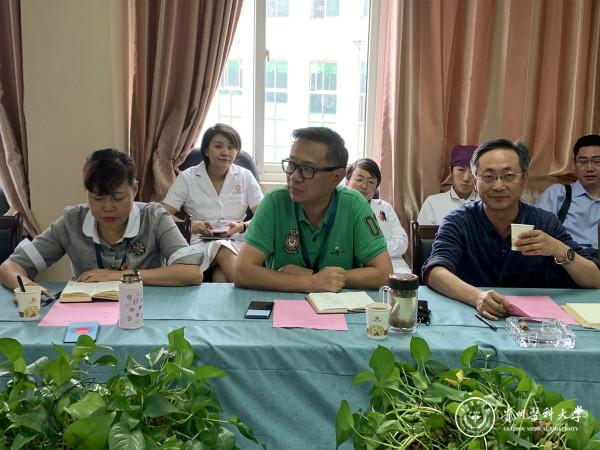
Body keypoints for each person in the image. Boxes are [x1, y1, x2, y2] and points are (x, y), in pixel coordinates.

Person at [423, 139, 600, 320]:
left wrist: (559, 249)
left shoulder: (544, 222)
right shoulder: (458, 221)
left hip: (534, 323)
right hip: (474, 318)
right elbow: (435, 272)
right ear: (476, 182)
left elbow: (594, 279)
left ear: (524, 179)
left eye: (508, 176)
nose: (499, 186)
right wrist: (476, 297)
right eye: (488, 176)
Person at [0, 148, 203, 296]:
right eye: (97, 197)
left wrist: (120, 276)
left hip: (142, 311)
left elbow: (191, 273)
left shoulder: (154, 217)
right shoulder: (72, 222)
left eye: (117, 197)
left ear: (134, 190)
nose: (107, 207)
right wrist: (26, 288)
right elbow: (11, 266)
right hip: (86, 319)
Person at [234, 127, 393, 293]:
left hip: (338, 305)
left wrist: (317, 276)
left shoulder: (354, 205)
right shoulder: (275, 202)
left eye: (307, 169)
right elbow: (242, 272)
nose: (294, 176)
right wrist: (310, 282)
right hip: (284, 304)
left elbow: (384, 274)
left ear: (336, 177)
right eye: (291, 164)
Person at [162, 124, 263, 282]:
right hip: (201, 242)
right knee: (222, 249)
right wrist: (193, 227)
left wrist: (242, 227)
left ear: (237, 152)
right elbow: (162, 214)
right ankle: (252, 288)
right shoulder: (188, 177)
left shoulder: (245, 176)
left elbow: (264, 216)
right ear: (206, 150)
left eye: (231, 147)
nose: (225, 152)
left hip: (238, 241)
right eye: (218, 146)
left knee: (220, 276)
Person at [345, 158, 410, 273]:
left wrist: (372, 249)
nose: (364, 186)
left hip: (393, 266)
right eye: (359, 179)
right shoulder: (337, 208)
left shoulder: (385, 207)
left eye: (371, 182)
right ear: (347, 182)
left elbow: (402, 242)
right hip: (352, 269)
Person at [536, 134, 600, 250]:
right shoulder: (558, 194)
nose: (589, 168)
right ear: (574, 164)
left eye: (597, 161)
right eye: (583, 161)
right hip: (566, 255)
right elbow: (538, 232)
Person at [417, 144, 479, 225]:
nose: (466, 178)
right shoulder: (433, 203)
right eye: (461, 170)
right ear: (451, 172)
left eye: (472, 172)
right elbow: (422, 233)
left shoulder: (487, 204)